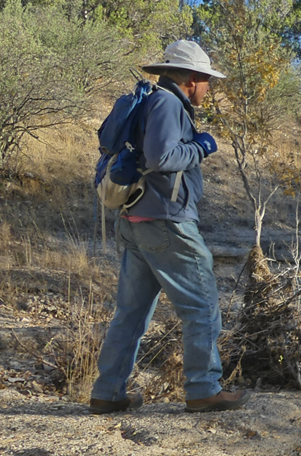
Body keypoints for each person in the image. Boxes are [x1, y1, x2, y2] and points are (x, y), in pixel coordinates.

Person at [88, 40, 250, 414]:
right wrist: (202, 147)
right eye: (207, 80)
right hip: (167, 223)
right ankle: (203, 389)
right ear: (192, 78)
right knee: (203, 305)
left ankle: (107, 392)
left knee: (131, 314)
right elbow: (162, 156)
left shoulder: (152, 99)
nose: (209, 87)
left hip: (136, 221)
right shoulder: (167, 103)